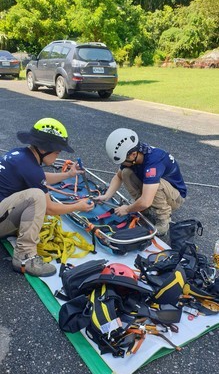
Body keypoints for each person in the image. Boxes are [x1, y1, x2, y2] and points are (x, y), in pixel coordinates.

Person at [0, 118, 94, 277]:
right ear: (44, 149)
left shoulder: (20, 155)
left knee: (34, 195)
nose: (57, 157)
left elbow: (40, 176)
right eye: (57, 152)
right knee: (37, 197)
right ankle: (25, 256)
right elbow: (49, 208)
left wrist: (68, 175)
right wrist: (78, 206)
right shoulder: (30, 167)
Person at [97, 128, 187, 236]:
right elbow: (119, 176)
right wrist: (106, 196)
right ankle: (144, 210)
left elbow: (146, 201)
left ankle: (163, 220)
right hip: (155, 190)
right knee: (126, 172)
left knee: (156, 185)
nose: (123, 163)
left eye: (123, 161)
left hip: (175, 198)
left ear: (133, 154)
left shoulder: (154, 161)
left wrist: (127, 209)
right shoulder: (135, 153)